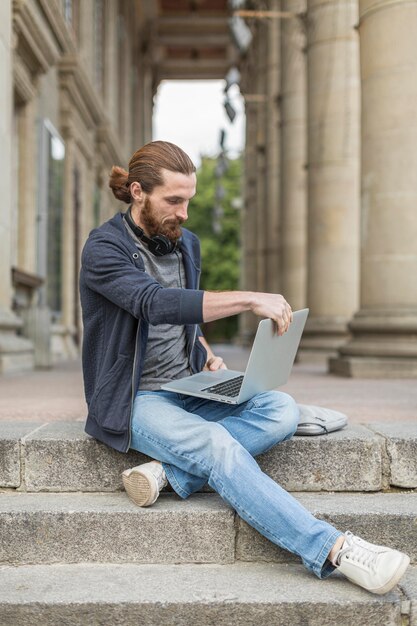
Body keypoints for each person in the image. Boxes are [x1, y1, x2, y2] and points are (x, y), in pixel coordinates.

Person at [79, 140, 409, 595]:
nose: (185, 213)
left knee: (282, 409)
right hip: (134, 399)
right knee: (218, 445)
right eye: (174, 201)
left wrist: (204, 350)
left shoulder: (184, 244)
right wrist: (250, 298)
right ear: (137, 192)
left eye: (189, 200)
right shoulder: (104, 248)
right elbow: (153, 304)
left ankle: (167, 474)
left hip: (189, 386)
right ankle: (334, 549)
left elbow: (185, 318)